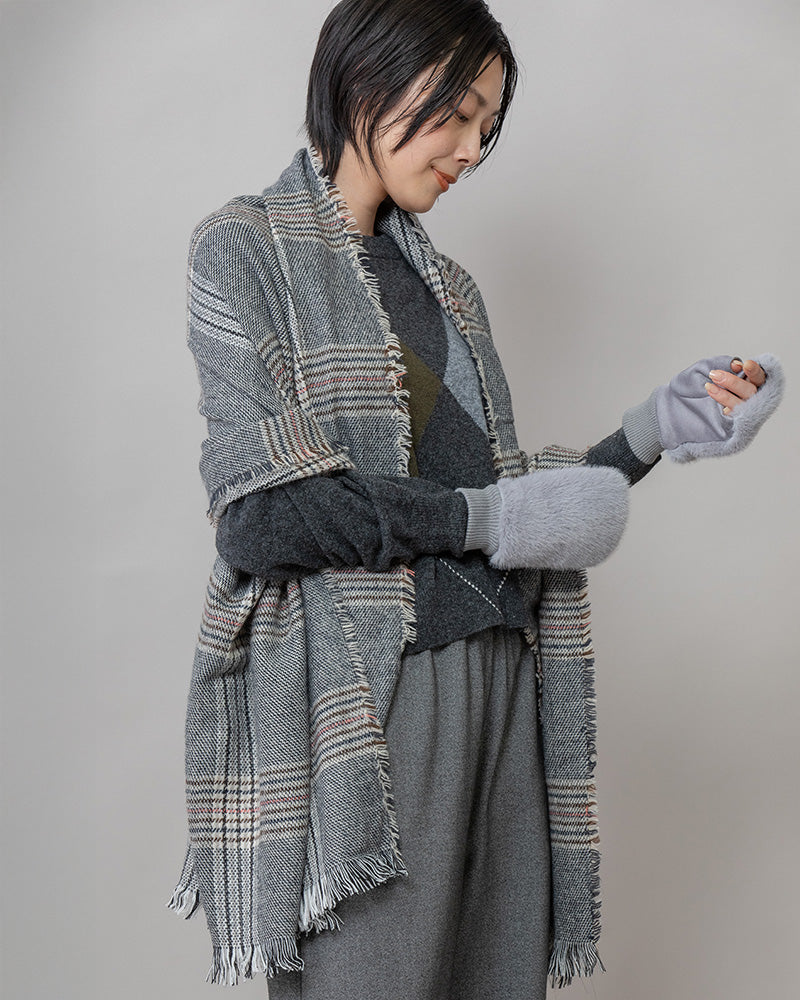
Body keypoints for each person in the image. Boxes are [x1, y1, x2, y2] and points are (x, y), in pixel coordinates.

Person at [167, 2, 784, 997]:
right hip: (378, 708)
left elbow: (500, 502)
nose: (470, 149)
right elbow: (261, 518)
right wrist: (487, 521)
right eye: (454, 114)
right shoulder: (246, 251)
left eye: (486, 126)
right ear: (366, 77)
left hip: (506, 688)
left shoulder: (449, 288)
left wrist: (653, 432)